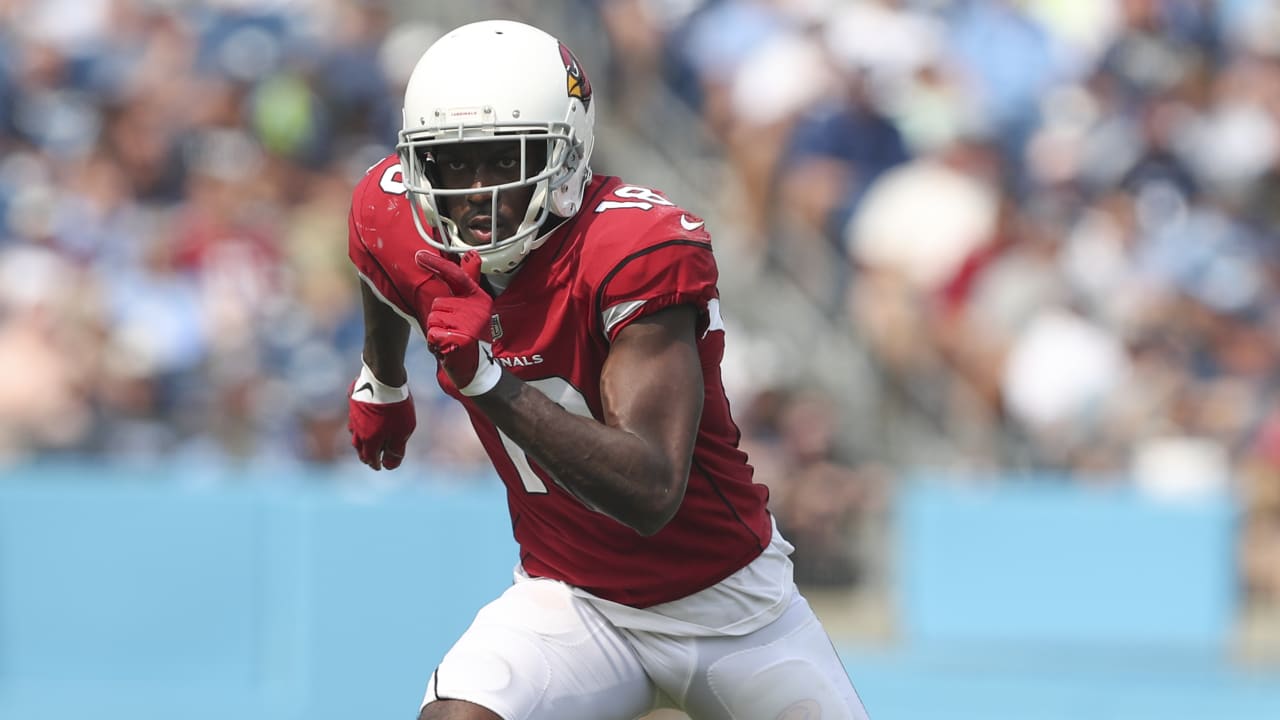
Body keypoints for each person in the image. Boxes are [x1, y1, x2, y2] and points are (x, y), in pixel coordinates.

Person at [344, 19, 872, 720]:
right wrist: (383, 379)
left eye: (504, 160)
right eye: (454, 164)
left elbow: (649, 489)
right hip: (572, 598)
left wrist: (482, 378)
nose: (475, 192)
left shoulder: (632, 246)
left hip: (730, 607)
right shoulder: (393, 213)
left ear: (565, 155)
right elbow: (381, 266)